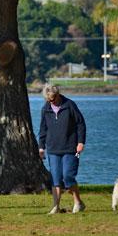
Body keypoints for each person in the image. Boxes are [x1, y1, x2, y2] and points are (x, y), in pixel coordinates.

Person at [38, 84, 86, 214]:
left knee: (68, 176)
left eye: (53, 99)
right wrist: (41, 147)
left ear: (58, 95)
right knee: (56, 178)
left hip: (72, 149)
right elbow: (43, 129)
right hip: (53, 149)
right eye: (48, 99)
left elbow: (80, 124)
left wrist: (81, 142)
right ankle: (56, 206)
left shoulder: (69, 105)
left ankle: (78, 202)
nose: (51, 101)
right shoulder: (45, 109)